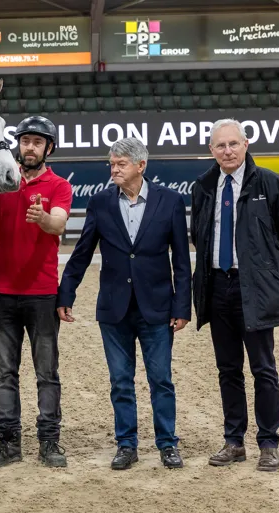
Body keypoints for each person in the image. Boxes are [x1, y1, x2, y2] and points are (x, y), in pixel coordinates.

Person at [57, 138, 192, 470]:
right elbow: (83, 252)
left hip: (158, 308)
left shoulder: (170, 201)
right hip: (114, 308)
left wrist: (182, 307)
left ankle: (167, 443)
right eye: (111, 164)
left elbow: (182, 262)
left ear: (141, 165)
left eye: (120, 164)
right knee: (120, 381)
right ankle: (126, 444)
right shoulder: (100, 203)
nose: (113, 169)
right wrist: (66, 293)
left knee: (161, 379)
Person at [191, 119, 279, 473]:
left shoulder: (269, 183)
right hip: (218, 288)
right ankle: (234, 440)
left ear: (246, 144)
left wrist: (271, 279)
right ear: (211, 150)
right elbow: (199, 234)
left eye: (233, 144)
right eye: (220, 146)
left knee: (263, 369)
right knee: (228, 370)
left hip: (252, 290)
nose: (227, 151)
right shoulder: (204, 187)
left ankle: (269, 442)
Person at [0, 115, 72, 469]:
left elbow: (58, 222)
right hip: (4, 294)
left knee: (47, 372)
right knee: (5, 373)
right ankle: (8, 442)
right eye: (26, 140)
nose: (30, 147)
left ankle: (49, 441)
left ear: (48, 148)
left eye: (38, 142)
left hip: (43, 293)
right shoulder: (2, 186)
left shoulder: (59, 185)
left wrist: (43, 219)